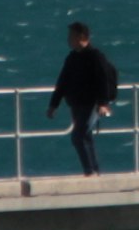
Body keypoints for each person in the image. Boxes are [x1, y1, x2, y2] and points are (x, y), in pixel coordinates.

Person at [48, 20, 120, 175]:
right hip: (76, 103)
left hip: (91, 103)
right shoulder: (72, 58)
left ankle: (90, 171)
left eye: (71, 36)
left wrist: (102, 103)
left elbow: (103, 80)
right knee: (85, 137)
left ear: (81, 37)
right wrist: (54, 105)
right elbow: (62, 82)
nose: (68, 39)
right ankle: (94, 170)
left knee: (78, 136)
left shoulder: (96, 56)